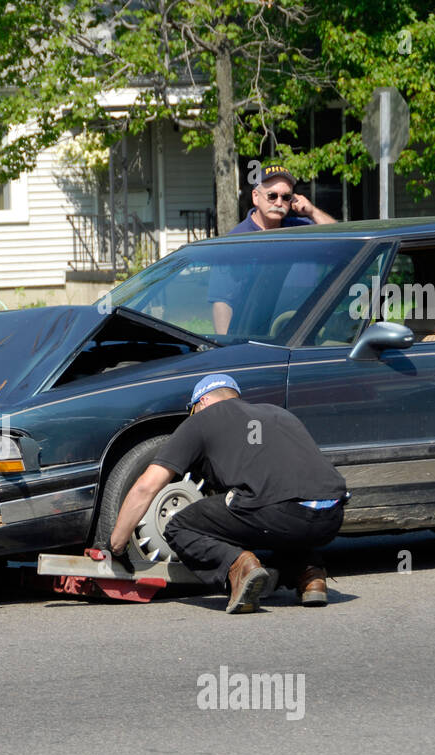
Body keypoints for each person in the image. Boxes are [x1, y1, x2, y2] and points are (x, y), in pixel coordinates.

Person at [106, 374, 348, 614]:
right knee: (281, 514)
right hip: (331, 516)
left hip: (276, 514)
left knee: (180, 526)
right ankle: (310, 573)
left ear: (203, 402)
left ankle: (240, 568)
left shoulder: (200, 420)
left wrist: (116, 545)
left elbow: (146, 486)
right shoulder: (279, 414)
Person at [210, 164, 337, 334]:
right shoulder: (236, 242)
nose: (279, 202)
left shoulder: (302, 230)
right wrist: (225, 347)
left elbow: (337, 237)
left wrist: (312, 211)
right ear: (256, 197)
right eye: (272, 196)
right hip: (256, 339)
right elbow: (222, 300)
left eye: (286, 197)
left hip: (305, 335)